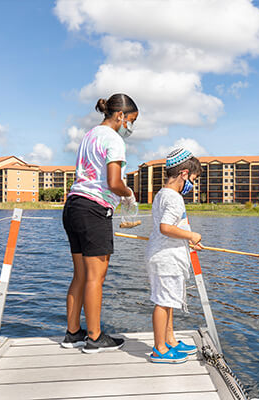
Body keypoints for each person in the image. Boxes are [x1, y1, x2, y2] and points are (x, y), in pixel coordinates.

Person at [61, 93, 138, 353]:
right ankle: (94, 337)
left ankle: (73, 333)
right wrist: (129, 195)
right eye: (131, 120)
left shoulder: (89, 135)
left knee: (80, 274)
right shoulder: (114, 140)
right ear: (120, 116)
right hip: (93, 209)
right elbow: (115, 182)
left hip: (73, 206)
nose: (130, 127)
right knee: (96, 277)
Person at [146, 148, 204, 363]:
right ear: (184, 174)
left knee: (168, 300)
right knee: (163, 302)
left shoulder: (162, 194)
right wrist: (191, 234)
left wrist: (188, 240)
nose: (193, 184)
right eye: (193, 179)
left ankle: (169, 340)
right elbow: (165, 227)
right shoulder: (174, 198)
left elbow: (170, 228)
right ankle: (159, 349)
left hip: (164, 255)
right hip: (166, 258)